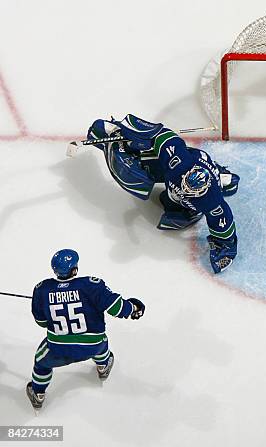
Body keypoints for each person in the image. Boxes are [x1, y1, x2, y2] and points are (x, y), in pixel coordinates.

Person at [87, 114, 238, 273]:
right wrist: (127, 133)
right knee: (139, 165)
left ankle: (222, 177)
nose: (185, 191)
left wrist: (225, 249)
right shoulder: (178, 162)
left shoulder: (210, 200)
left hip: (204, 179)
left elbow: (225, 229)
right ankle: (113, 143)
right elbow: (162, 135)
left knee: (176, 211)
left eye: (189, 192)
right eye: (185, 186)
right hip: (195, 159)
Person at [26, 249, 145, 410]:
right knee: (101, 341)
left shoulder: (42, 290)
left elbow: (41, 322)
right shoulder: (91, 285)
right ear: (74, 269)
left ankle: (38, 393)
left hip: (58, 350)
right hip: (93, 346)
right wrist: (133, 308)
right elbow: (117, 308)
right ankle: (103, 365)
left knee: (41, 363)